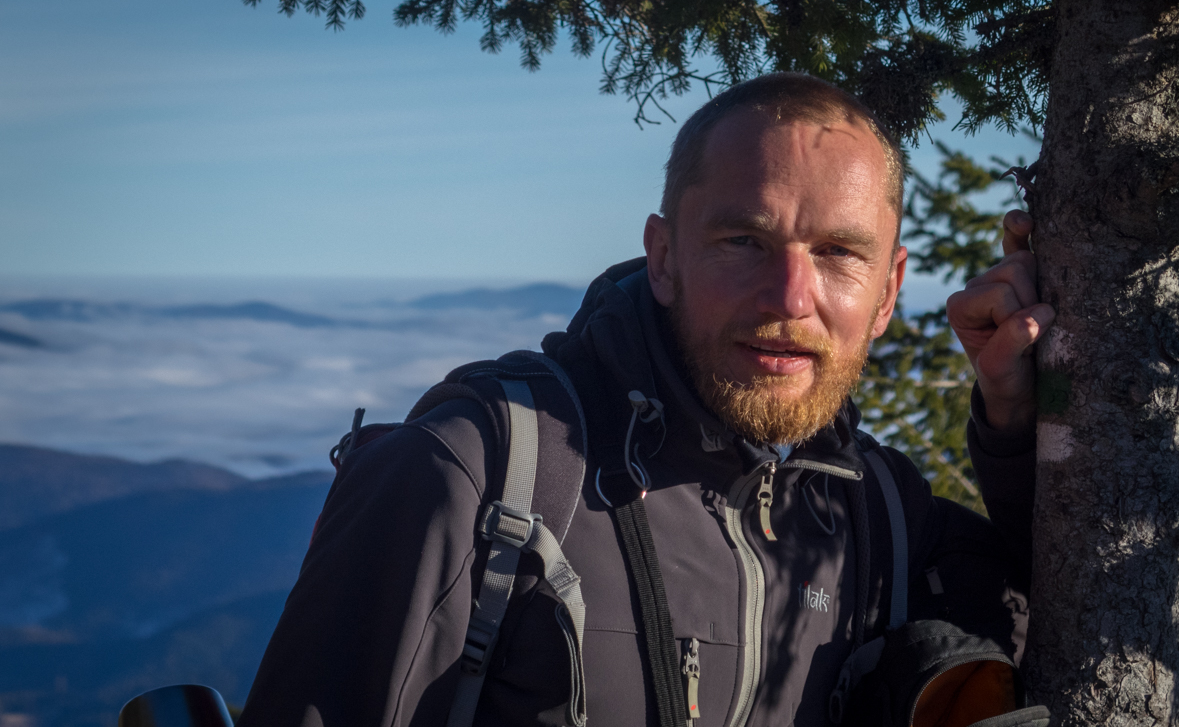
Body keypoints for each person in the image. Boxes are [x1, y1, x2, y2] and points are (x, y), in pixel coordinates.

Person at [237, 73, 1052, 727]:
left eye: (839, 253)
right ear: (661, 257)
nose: (791, 296)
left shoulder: (878, 514)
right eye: (743, 241)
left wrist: (1014, 417)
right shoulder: (484, 472)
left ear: (887, 292)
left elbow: (1070, 601)